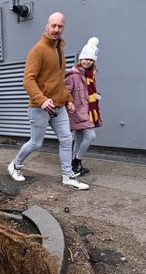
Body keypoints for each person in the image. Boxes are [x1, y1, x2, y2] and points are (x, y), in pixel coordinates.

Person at [6, 12, 89, 190]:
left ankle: (67, 176)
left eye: (60, 26)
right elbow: (28, 80)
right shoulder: (38, 50)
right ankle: (15, 165)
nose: (56, 29)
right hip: (39, 107)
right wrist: (42, 100)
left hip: (59, 107)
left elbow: (58, 81)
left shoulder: (60, 49)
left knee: (66, 140)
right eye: (53, 25)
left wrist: (69, 99)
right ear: (47, 26)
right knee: (36, 143)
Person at [65, 37, 102, 176]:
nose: (87, 61)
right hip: (77, 112)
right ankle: (77, 161)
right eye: (85, 58)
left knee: (79, 137)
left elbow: (87, 92)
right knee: (91, 136)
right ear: (80, 59)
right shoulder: (73, 75)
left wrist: (96, 95)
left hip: (87, 111)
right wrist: (69, 104)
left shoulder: (90, 75)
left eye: (91, 59)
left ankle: (75, 164)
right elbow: (65, 93)